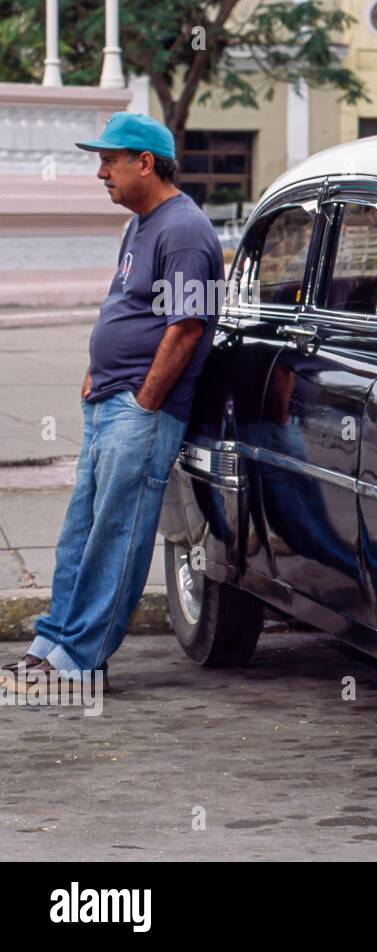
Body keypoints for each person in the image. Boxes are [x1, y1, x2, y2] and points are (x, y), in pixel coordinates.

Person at [2, 112, 223, 691]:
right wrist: (91, 372)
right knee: (80, 530)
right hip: (108, 401)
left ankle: (80, 661)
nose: (101, 172)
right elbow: (120, 306)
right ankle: (52, 644)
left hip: (139, 411)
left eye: (110, 160)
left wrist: (146, 402)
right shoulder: (141, 226)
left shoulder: (186, 230)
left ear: (144, 163)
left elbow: (189, 326)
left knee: (116, 533)